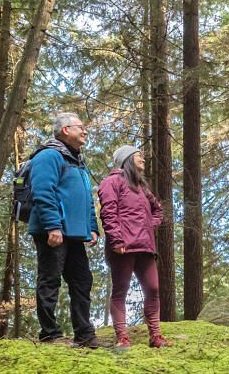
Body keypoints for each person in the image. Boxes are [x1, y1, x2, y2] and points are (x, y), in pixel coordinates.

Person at [28, 112, 100, 347]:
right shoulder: (49, 155)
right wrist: (53, 226)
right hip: (54, 231)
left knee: (82, 281)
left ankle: (85, 335)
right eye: (81, 127)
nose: (85, 131)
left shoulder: (77, 161)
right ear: (66, 130)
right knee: (50, 280)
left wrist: (92, 227)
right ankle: (50, 334)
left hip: (75, 234)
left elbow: (87, 198)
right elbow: (43, 191)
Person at [97, 145, 172, 349]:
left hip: (146, 247)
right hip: (123, 247)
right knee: (121, 290)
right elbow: (108, 213)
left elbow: (158, 210)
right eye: (139, 156)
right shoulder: (111, 182)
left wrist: (149, 226)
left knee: (153, 289)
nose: (143, 160)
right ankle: (123, 338)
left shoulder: (142, 188)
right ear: (128, 159)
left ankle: (155, 336)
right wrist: (116, 240)